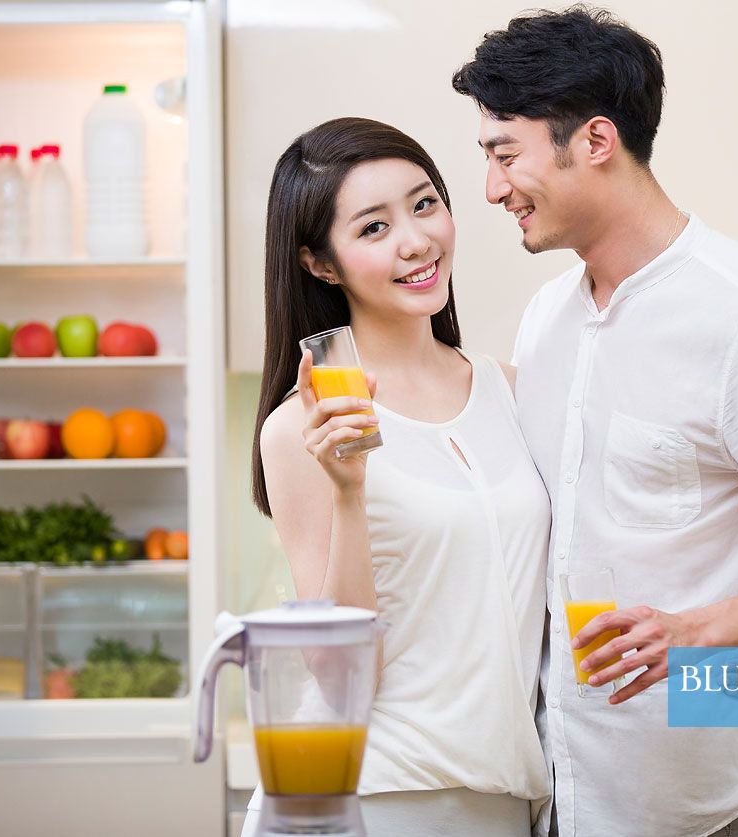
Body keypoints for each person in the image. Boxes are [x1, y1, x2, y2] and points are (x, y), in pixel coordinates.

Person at [453, 7, 738, 836]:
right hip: (556, 793)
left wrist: (692, 631)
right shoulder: (547, 318)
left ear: (593, 140)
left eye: (503, 154)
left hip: (697, 807)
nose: (491, 188)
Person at [249, 117, 550, 836]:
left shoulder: (510, 389)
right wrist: (349, 492)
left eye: (423, 204)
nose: (415, 241)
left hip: (506, 798)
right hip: (380, 797)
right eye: (372, 228)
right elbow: (335, 671)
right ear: (321, 264)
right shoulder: (302, 428)